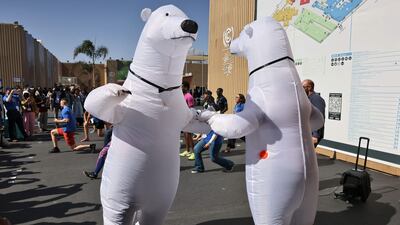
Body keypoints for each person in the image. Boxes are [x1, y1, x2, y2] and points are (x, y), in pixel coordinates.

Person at [302, 79, 326, 147]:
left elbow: (319, 117)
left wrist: (315, 135)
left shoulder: (316, 99)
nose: (300, 90)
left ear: (309, 87)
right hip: (308, 132)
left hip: (313, 135)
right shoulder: (308, 98)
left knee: (307, 155)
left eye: (302, 87)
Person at [179, 81, 195, 160]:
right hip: (183, 118)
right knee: (185, 135)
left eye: (182, 86)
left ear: (186, 87)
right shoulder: (183, 95)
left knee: (189, 135)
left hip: (188, 118)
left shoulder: (189, 96)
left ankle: (194, 152)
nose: (180, 88)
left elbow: (191, 109)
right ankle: (187, 150)